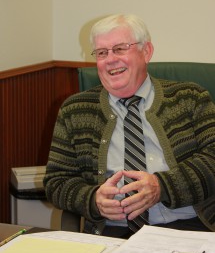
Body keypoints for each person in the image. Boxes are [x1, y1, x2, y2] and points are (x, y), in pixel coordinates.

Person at [44, 14, 215, 238]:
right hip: (113, 232)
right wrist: (93, 199)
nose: (110, 59)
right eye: (102, 52)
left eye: (120, 49)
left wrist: (161, 186)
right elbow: (56, 182)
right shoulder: (75, 110)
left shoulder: (189, 97)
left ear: (146, 52)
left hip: (190, 227)